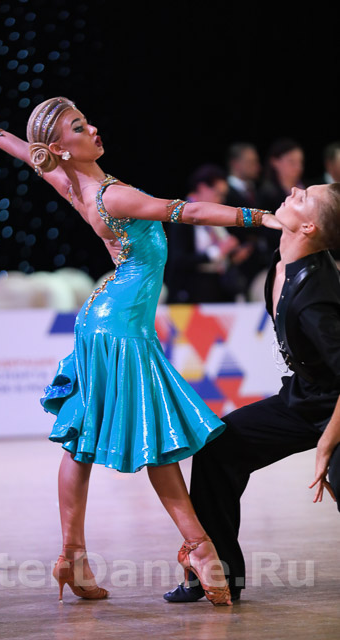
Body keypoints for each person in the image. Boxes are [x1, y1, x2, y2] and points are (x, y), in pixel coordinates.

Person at [0, 97, 277, 606]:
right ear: (61, 148)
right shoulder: (115, 195)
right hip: (121, 328)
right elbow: (189, 211)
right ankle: (199, 548)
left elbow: (25, 151)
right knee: (153, 437)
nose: (93, 129)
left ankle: (72, 557)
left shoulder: (70, 184)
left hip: (102, 321)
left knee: (81, 441)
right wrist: (263, 217)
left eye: (86, 121)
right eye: (79, 127)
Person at [164, 181, 340, 604]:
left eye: (303, 197)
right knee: (219, 447)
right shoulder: (282, 262)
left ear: (309, 227)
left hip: (335, 408)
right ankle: (217, 574)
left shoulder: (317, 298)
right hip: (305, 400)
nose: (293, 189)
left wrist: (327, 445)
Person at [166, 164, 253, 302]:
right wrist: (217, 252)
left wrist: (232, 256)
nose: (222, 200)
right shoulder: (182, 215)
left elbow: (222, 256)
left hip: (218, 287)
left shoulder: (214, 218)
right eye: (218, 194)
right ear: (202, 188)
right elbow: (178, 260)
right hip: (190, 292)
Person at [225, 143, 261, 209]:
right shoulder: (225, 193)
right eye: (251, 162)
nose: (258, 166)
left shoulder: (255, 190)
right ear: (236, 164)